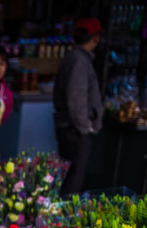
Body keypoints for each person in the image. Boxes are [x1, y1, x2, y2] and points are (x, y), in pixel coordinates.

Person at [54, 17, 103, 195]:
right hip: (74, 130)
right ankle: (64, 219)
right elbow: (76, 100)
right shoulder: (79, 62)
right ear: (95, 38)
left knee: (70, 175)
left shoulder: (75, 58)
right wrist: (85, 127)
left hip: (71, 128)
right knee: (72, 179)